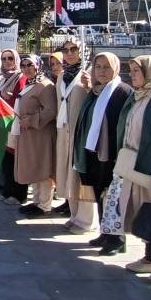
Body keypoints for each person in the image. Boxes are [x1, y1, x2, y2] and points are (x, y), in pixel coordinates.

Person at [99, 55, 151, 278]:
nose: (132, 75)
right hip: (135, 163)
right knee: (142, 211)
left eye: (137, 71)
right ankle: (149, 256)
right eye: (131, 70)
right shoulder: (140, 95)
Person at [73, 52, 131, 254]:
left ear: (115, 68)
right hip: (93, 150)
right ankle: (105, 233)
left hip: (110, 152)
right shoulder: (95, 91)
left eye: (106, 67)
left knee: (112, 194)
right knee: (99, 191)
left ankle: (117, 238)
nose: (102, 71)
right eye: (98, 67)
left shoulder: (122, 92)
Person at [13, 54, 59, 218]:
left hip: (41, 135)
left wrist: (31, 120)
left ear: (38, 66)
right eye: (23, 65)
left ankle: (45, 205)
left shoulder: (45, 85)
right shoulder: (30, 84)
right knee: (34, 167)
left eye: (29, 65)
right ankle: (37, 201)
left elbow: (50, 111)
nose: (26, 68)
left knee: (43, 168)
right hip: (29, 135)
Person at [56, 40, 94, 233]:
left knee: (80, 173)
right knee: (66, 172)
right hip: (64, 129)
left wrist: (89, 87)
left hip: (81, 131)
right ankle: (73, 213)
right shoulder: (62, 75)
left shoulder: (87, 74)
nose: (69, 53)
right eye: (66, 50)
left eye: (74, 49)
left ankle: (85, 219)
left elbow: (96, 100)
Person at [0, 49, 30, 202]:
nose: (7, 61)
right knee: (6, 159)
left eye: (10, 58)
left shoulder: (20, 77)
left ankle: (18, 194)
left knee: (15, 160)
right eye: (4, 58)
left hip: (14, 124)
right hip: (3, 123)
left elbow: (21, 99)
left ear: (16, 60)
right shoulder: (1, 78)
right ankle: (8, 191)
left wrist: (10, 98)